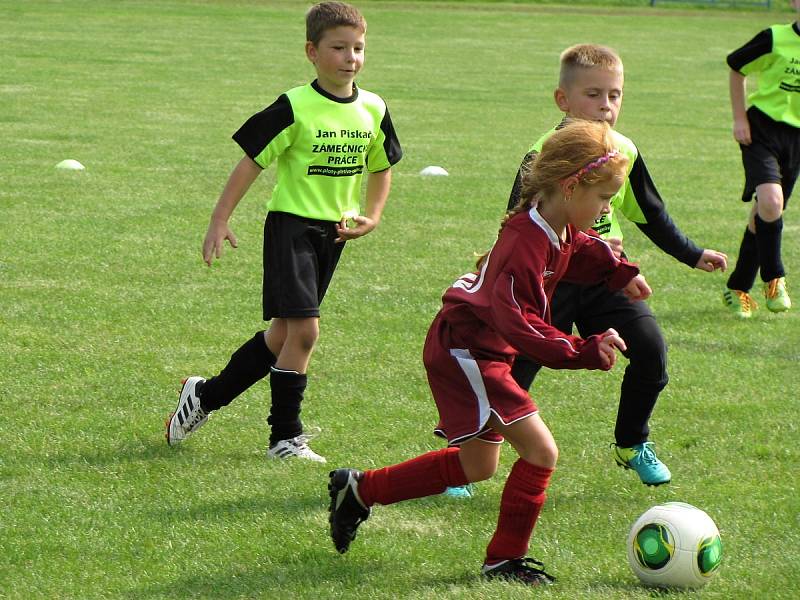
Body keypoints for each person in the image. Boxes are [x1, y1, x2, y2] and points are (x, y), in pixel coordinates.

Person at [327, 120, 650, 586]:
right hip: (467, 350)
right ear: (571, 185)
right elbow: (520, 323)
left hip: (478, 347)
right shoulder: (527, 239)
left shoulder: (552, 223)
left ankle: (358, 489)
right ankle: (504, 560)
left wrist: (621, 272)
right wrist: (583, 348)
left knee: (479, 465)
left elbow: (580, 249)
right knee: (541, 452)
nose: (604, 210)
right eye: (602, 199)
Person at [446, 45, 727, 493]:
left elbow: (649, 213)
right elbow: (520, 219)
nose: (606, 106)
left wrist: (692, 254)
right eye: (594, 94)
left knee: (651, 351)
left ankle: (632, 443)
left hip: (604, 280)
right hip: (549, 282)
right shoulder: (545, 153)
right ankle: (468, 458)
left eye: (614, 95)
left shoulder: (624, 151)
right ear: (563, 100)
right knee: (512, 372)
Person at [165, 1, 402, 462]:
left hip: (333, 235)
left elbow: (382, 165)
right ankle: (285, 438)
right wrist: (219, 218)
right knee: (306, 333)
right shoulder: (294, 105)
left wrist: (372, 215)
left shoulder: (374, 107)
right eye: (338, 48)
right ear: (312, 51)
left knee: (282, 337)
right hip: (290, 229)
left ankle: (204, 396)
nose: (350, 57)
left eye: (358, 48)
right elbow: (252, 161)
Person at [722, 0, 799, 318]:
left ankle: (737, 287)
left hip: (796, 138)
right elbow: (736, 67)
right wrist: (740, 118)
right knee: (771, 201)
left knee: (764, 214)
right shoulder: (774, 37)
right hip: (762, 130)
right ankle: (774, 277)